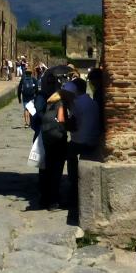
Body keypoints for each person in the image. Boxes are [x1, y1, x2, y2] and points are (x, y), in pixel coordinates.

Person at [62, 77, 101, 211]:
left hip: (81, 141)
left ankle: (73, 181)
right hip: (93, 139)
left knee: (67, 153)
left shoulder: (76, 104)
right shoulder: (91, 101)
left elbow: (71, 126)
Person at [34, 73, 68, 210]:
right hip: (57, 138)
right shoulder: (59, 99)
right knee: (56, 170)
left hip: (42, 136)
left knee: (44, 169)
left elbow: (36, 116)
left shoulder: (41, 97)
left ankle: (44, 198)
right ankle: (53, 201)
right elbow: (61, 120)